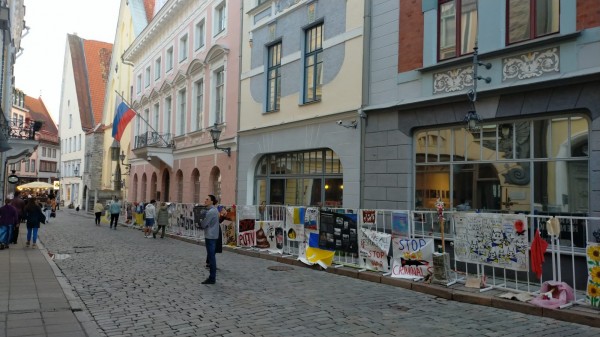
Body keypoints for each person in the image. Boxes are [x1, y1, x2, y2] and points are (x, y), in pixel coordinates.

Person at [200, 195, 219, 284]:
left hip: (210, 236)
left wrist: (201, 223)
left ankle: (212, 277)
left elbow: (204, 224)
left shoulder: (211, 211)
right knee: (211, 256)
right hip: (213, 235)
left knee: (211, 257)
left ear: (212, 201)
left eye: (207, 199)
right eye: (205, 199)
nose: (205, 200)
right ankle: (212, 277)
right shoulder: (214, 210)